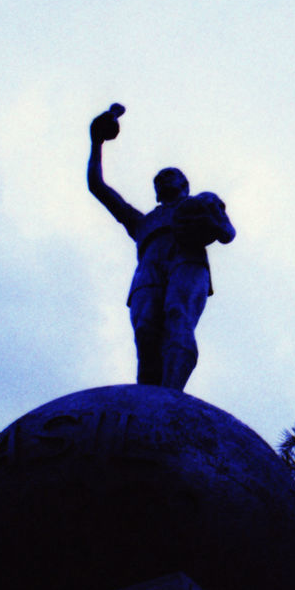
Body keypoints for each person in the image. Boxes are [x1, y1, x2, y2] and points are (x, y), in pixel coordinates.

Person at [86, 106, 235, 390]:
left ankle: (172, 396)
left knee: (177, 314)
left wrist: (210, 219)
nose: (163, 178)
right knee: (144, 332)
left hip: (187, 260)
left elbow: (228, 233)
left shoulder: (198, 206)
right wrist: (96, 142)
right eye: (158, 178)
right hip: (148, 269)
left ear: (185, 185)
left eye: (170, 174)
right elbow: (98, 187)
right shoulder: (142, 222)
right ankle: (150, 397)